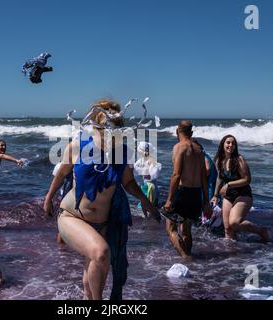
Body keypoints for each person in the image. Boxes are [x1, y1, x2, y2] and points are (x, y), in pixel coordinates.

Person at [43, 99, 161, 300]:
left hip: (104, 223)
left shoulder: (124, 152)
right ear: (95, 125)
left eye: (114, 126)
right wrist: (48, 199)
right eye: (105, 125)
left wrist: (146, 202)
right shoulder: (77, 146)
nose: (109, 130)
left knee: (95, 268)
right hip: (72, 217)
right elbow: (61, 174)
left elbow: (129, 183)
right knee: (101, 253)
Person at [163, 121, 210, 259]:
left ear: (177, 131)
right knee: (186, 229)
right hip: (196, 194)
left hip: (182, 193)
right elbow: (204, 178)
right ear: (192, 133)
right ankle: (189, 256)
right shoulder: (199, 150)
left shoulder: (179, 147)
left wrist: (170, 200)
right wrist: (206, 201)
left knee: (171, 228)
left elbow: (176, 175)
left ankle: (186, 257)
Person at [211, 135, 269, 242]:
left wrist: (228, 185)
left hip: (243, 195)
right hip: (228, 196)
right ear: (223, 144)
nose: (230, 145)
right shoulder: (220, 160)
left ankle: (261, 231)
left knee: (234, 222)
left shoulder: (239, 159)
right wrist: (215, 195)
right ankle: (233, 255)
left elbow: (247, 179)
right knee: (228, 228)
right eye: (228, 142)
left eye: (233, 143)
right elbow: (219, 178)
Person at [134, 141, 162, 208]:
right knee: (152, 204)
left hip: (150, 188)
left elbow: (154, 175)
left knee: (146, 206)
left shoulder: (150, 161)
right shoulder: (142, 160)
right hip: (150, 186)